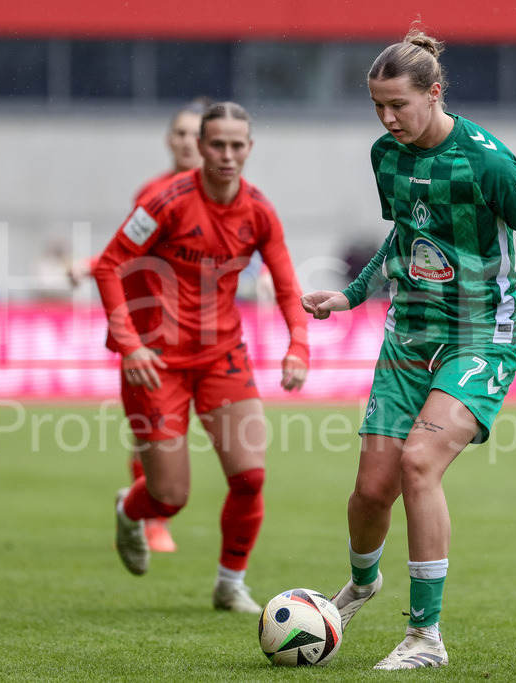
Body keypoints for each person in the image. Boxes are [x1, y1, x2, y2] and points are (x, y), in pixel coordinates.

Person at [301, 29, 516, 670]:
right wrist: (353, 296)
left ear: (434, 92)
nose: (387, 119)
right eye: (377, 107)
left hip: (480, 339)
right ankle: (360, 584)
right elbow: (404, 237)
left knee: (418, 464)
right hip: (407, 338)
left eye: (398, 106)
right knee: (369, 492)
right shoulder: (387, 154)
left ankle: (424, 637)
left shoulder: (490, 162)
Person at [93, 101, 310, 613]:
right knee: (169, 498)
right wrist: (130, 344)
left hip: (221, 356)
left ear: (249, 149)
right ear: (200, 146)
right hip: (155, 361)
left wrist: (298, 343)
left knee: (250, 476)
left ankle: (230, 583)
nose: (228, 155)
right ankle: (129, 509)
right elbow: (108, 266)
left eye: (238, 145)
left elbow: (284, 283)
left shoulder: (258, 210)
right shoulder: (166, 202)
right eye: (218, 145)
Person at [69, 98, 210, 553]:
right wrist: (93, 263)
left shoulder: (225, 193)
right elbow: (134, 251)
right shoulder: (154, 191)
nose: (189, 142)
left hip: (201, 332)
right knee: (157, 429)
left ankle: (144, 507)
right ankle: (149, 519)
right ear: (169, 139)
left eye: (197, 133)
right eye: (182, 133)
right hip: (150, 325)